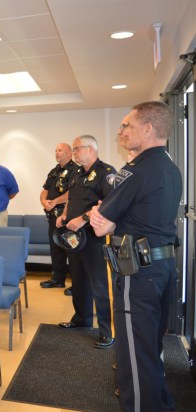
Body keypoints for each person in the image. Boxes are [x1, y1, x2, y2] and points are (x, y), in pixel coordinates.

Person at [90, 101, 181, 412]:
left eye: (127, 125)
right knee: (149, 351)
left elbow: (103, 224)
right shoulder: (171, 167)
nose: (121, 131)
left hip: (138, 274)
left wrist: (96, 215)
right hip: (164, 267)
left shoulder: (136, 170)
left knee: (135, 359)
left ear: (148, 129)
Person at [57, 135, 116, 349]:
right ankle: (81, 319)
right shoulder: (77, 173)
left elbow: (109, 204)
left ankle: (106, 333)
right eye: (73, 150)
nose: (74, 153)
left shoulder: (105, 172)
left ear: (91, 148)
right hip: (74, 238)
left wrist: (82, 219)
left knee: (98, 285)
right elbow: (72, 198)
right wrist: (64, 215)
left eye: (76, 149)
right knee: (79, 281)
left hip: (93, 238)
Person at [39, 143, 78, 291]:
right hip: (53, 217)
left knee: (71, 250)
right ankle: (58, 279)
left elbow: (72, 193)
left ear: (69, 153)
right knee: (55, 249)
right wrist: (44, 201)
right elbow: (44, 190)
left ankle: (77, 284)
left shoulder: (75, 170)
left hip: (67, 216)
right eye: (55, 150)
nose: (57, 152)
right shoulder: (54, 171)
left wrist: (55, 201)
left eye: (60, 150)